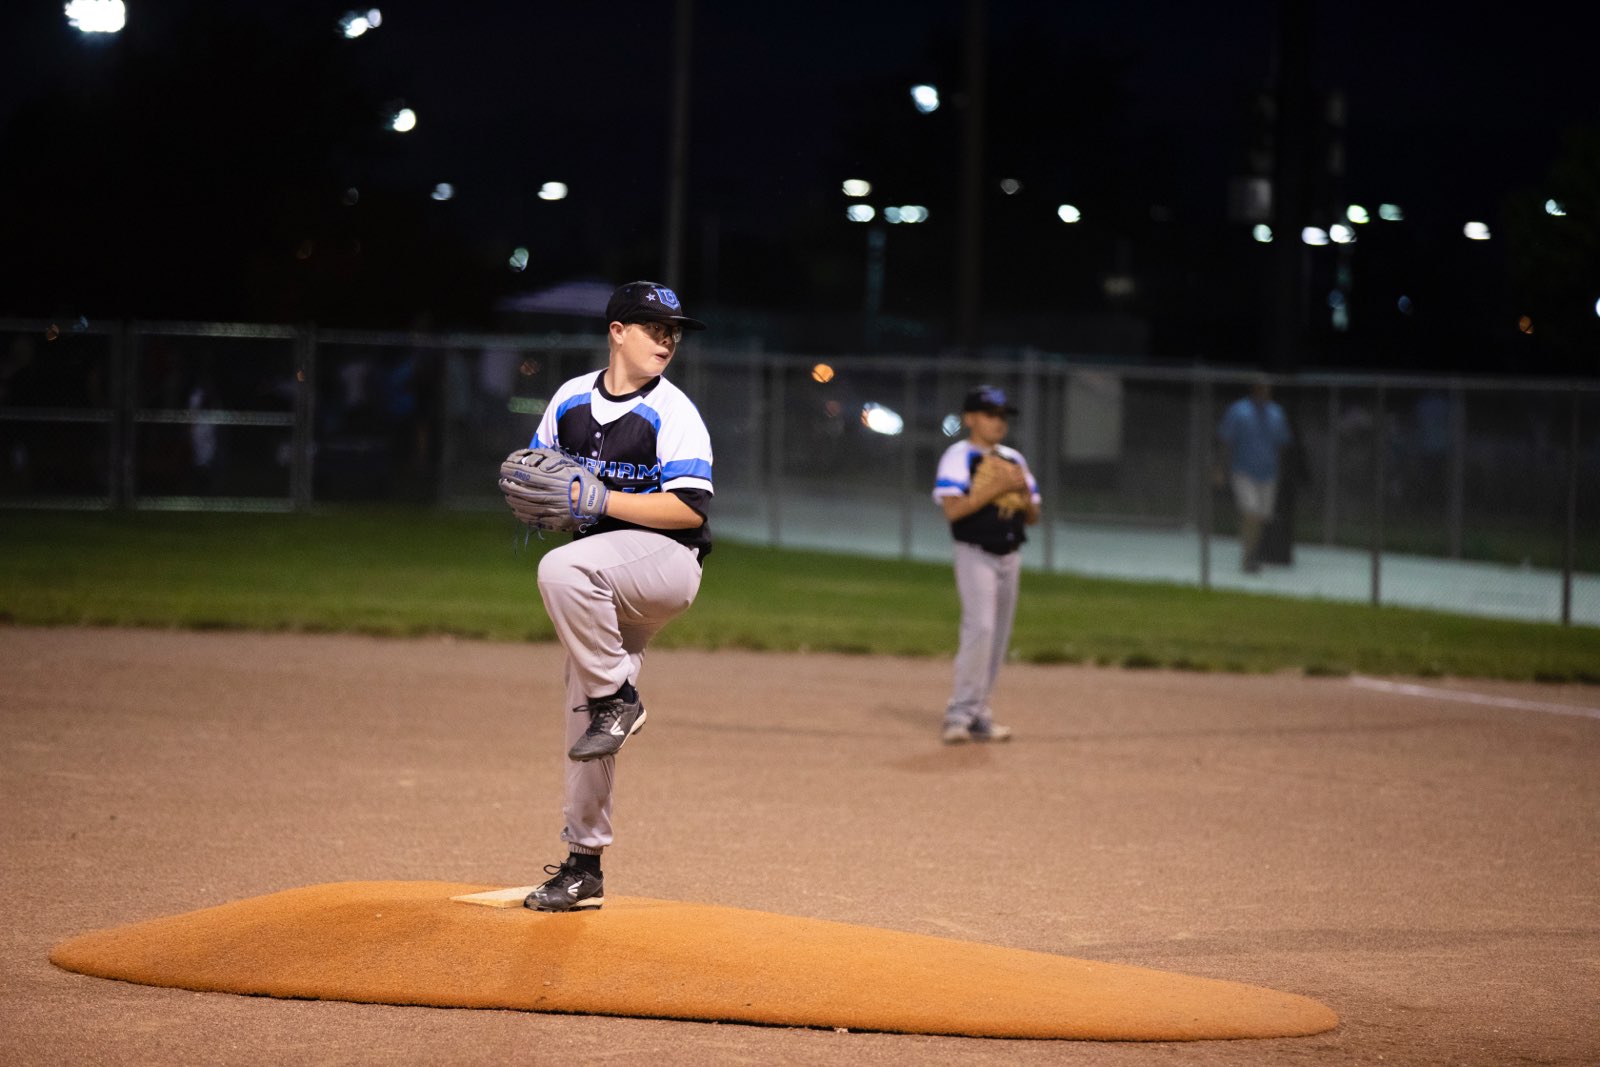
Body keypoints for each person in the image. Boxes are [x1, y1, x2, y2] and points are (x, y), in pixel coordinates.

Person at [521, 280, 714, 912]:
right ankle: (584, 867)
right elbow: (544, 478)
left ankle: (619, 695)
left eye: (673, 331)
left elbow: (688, 509)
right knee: (589, 722)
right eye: (654, 328)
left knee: (560, 570)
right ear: (617, 332)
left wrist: (599, 502)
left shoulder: (674, 411)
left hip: (665, 566)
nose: (667, 340)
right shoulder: (571, 398)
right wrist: (542, 503)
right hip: (602, 578)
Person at [931, 384, 1041, 745]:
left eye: (1002, 416)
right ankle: (958, 715)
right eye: (990, 415)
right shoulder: (958, 456)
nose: (998, 422)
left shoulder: (1014, 460)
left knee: (998, 637)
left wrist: (1021, 493)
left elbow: (1034, 517)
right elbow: (953, 510)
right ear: (970, 418)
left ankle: (979, 714)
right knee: (980, 628)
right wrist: (994, 489)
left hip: (1010, 554)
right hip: (975, 553)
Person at [1214, 375, 1291, 574]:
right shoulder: (1239, 411)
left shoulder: (1276, 413)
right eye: (1260, 389)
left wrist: (1281, 473)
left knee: (1261, 517)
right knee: (1251, 513)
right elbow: (1226, 441)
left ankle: (1251, 549)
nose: (1264, 393)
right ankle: (1249, 558)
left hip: (1268, 474)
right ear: (1254, 390)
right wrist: (1221, 468)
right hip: (1243, 472)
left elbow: (1281, 445)